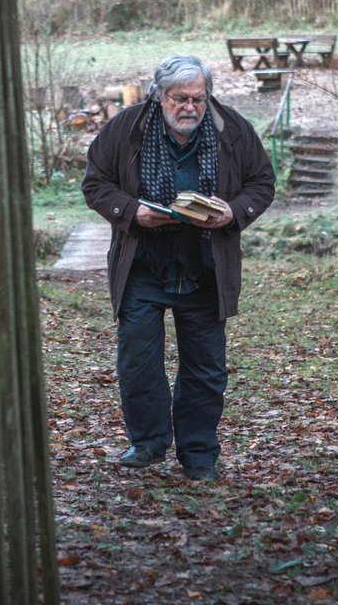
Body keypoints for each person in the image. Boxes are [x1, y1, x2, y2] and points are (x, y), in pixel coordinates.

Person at [82, 53, 275, 481]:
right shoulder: (125, 128)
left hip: (206, 268)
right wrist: (132, 211)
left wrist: (234, 212)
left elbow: (262, 183)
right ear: (159, 96)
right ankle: (147, 443)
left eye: (198, 99)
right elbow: (96, 183)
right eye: (179, 99)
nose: (190, 107)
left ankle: (200, 454)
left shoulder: (234, 130)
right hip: (143, 266)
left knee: (206, 366)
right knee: (139, 359)